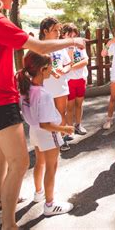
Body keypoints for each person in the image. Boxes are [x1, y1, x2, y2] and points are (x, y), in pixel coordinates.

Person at [0, 0, 85, 230]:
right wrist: (72, 42)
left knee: (1, 154)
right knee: (20, 162)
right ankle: (9, 225)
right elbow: (40, 47)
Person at [16, 51, 75, 216]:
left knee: (39, 163)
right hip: (47, 134)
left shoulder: (25, 90)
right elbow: (46, 124)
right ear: (43, 69)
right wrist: (65, 129)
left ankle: (38, 193)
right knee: (51, 167)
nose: (52, 69)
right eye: (50, 66)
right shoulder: (44, 94)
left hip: (34, 132)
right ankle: (50, 204)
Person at [39, 18, 73, 152]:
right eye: (55, 30)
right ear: (45, 31)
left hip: (61, 87)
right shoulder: (39, 47)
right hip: (45, 88)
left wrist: (64, 70)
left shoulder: (60, 46)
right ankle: (49, 141)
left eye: (59, 30)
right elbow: (35, 66)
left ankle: (62, 139)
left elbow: (68, 63)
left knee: (61, 113)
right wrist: (51, 71)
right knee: (46, 116)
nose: (58, 33)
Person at [61, 23, 89, 136]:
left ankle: (78, 125)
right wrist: (71, 50)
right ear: (63, 35)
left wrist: (70, 67)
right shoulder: (62, 48)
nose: (73, 36)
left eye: (74, 34)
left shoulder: (80, 47)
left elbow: (85, 61)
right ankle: (69, 129)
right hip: (69, 81)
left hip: (80, 79)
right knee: (70, 106)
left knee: (79, 104)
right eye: (70, 34)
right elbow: (69, 61)